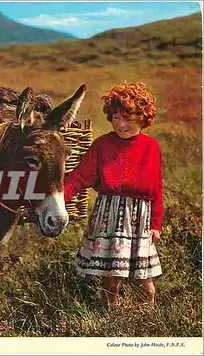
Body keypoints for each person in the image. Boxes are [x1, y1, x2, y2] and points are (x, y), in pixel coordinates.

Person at [64, 82, 163, 308]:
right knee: (111, 277)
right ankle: (107, 314)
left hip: (140, 219)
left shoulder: (151, 147)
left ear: (143, 117)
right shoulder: (102, 145)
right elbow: (80, 176)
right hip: (109, 215)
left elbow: (157, 188)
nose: (121, 124)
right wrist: (61, 199)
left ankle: (148, 315)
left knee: (144, 277)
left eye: (128, 118)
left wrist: (156, 223)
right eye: (116, 118)